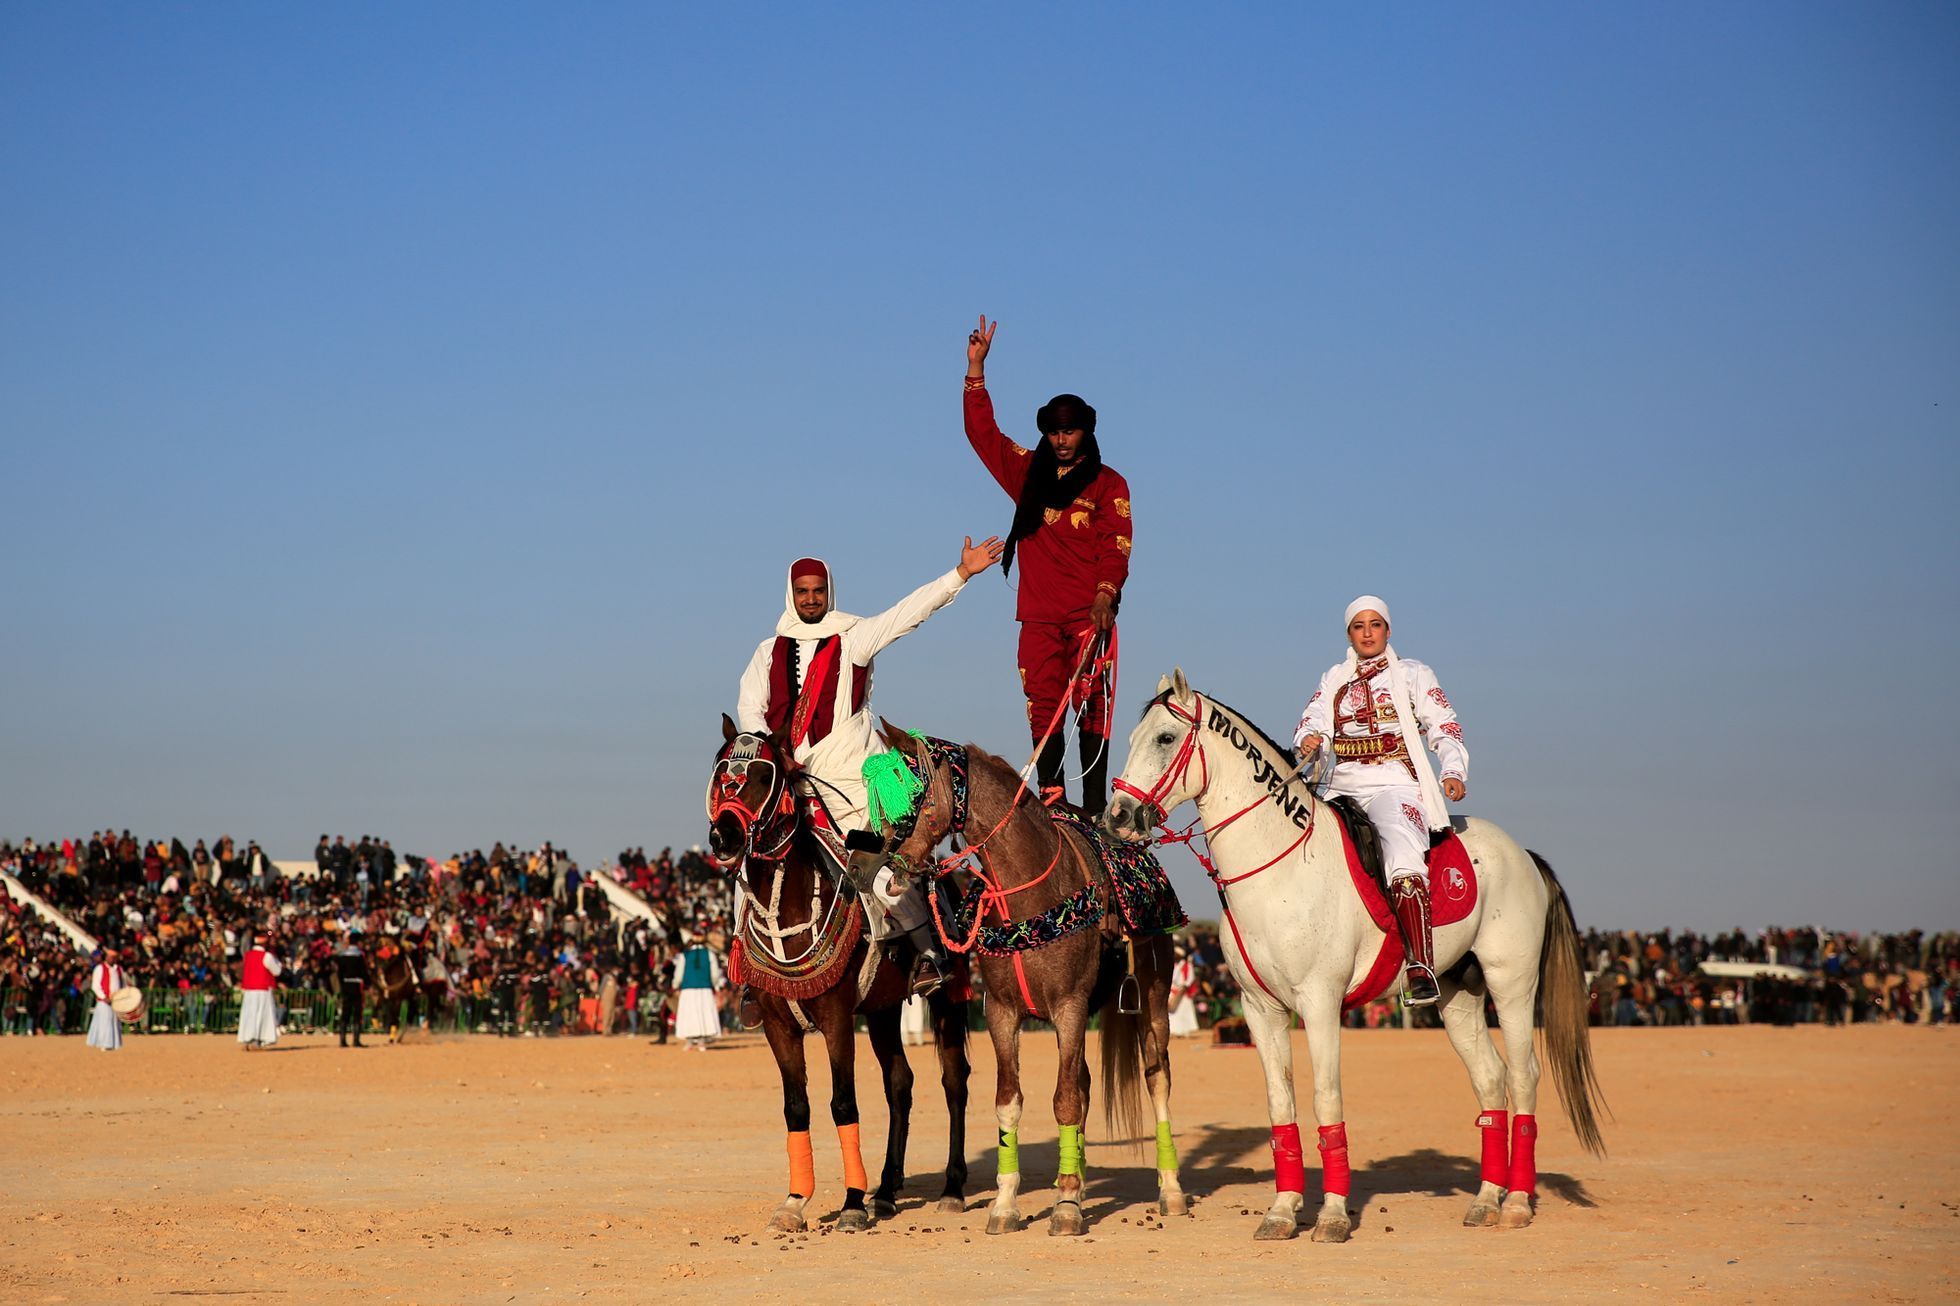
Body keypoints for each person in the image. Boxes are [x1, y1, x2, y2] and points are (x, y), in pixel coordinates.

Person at [735, 540, 1002, 998]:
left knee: (879, 875)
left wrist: (960, 574)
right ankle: (753, 975)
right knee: (748, 872)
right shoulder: (766, 651)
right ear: (790, 594)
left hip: (851, 786)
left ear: (829, 592)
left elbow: (907, 613)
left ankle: (928, 953)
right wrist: (773, 753)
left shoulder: (854, 637)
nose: (811, 599)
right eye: (803, 591)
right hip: (788, 787)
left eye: (818, 590)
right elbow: (749, 710)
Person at [962, 314, 1133, 815]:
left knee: (1093, 705)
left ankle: (1095, 805)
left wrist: (1105, 594)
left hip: (1088, 614)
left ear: (1085, 432)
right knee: (1043, 705)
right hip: (1037, 616)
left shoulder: (1108, 483)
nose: (1061, 440)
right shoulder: (1027, 473)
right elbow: (984, 435)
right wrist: (976, 369)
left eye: (1070, 431)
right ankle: (1054, 799)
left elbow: (1116, 543)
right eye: (1054, 432)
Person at [1293, 595, 1468, 1007]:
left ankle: (1420, 965)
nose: (1367, 633)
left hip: (1395, 781)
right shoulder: (1334, 677)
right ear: (1349, 634)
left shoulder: (1413, 673)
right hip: (1340, 783)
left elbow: (1443, 724)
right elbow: (1312, 718)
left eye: (1375, 625)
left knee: (1402, 856)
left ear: (1388, 631)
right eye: (1359, 626)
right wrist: (1308, 739)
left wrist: (1453, 770)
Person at [669, 933, 724, 1052]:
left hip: (688, 989)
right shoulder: (710, 954)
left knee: (689, 1014)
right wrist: (716, 986)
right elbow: (715, 974)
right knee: (704, 1013)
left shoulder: (685, 955)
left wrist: (675, 985)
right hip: (705, 989)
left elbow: (679, 973)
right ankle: (701, 1043)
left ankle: (689, 1043)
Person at [237, 930, 284, 1049]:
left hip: (249, 990)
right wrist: (277, 960)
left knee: (249, 1014)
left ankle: (247, 1039)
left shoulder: (247, 955)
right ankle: (258, 1039)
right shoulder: (267, 956)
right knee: (263, 1014)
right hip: (263, 989)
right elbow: (277, 971)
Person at [85, 948, 127, 1051]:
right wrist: (104, 997)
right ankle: (104, 1043)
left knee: (114, 1021)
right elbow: (95, 985)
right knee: (105, 1022)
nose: (111, 959)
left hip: (116, 1000)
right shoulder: (100, 968)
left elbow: (123, 984)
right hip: (104, 1001)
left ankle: (114, 1043)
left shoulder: (119, 969)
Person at [333, 934, 368, 1048]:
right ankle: (356, 1040)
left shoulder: (343, 956)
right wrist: (367, 983)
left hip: (346, 984)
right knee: (357, 1012)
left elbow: (339, 973)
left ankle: (342, 1040)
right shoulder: (359, 956)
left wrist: (342, 984)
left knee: (345, 1012)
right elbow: (364, 972)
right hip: (357, 985)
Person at [1168, 943, 1201, 1036]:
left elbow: (1190, 978)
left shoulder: (1187, 965)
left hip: (1183, 990)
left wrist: (1184, 987)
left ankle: (1186, 1031)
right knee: (1172, 1012)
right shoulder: (1173, 965)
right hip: (1173, 990)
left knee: (1184, 1011)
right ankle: (1174, 1030)